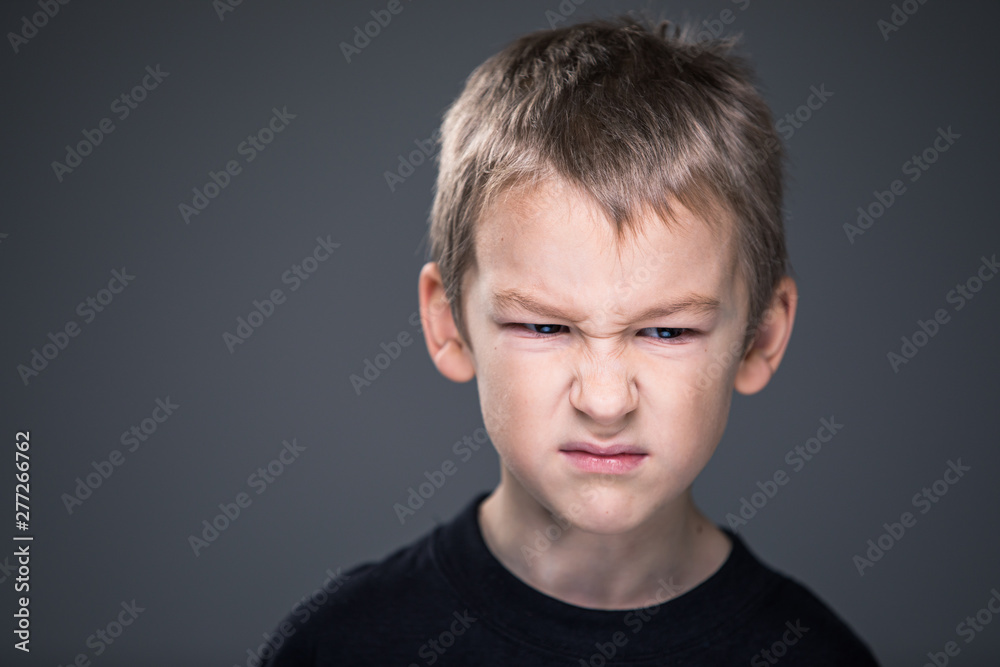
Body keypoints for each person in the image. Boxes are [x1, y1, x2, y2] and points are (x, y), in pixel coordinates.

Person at [262, 13, 880, 665]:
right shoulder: (337, 648)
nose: (606, 401)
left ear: (761, 336)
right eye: (545, 326)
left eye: (667, 330)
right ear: (448, 323)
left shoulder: (818, 656)